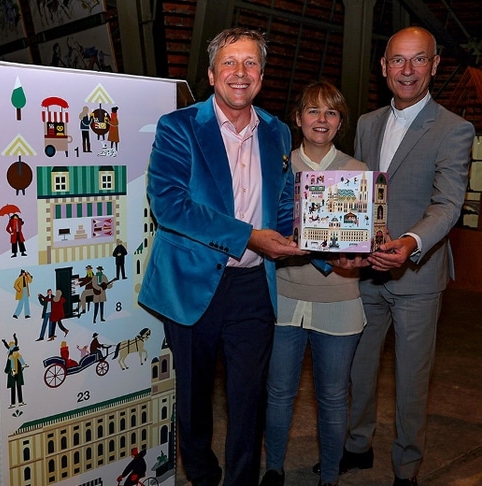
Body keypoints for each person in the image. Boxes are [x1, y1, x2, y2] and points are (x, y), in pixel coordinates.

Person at [138, 27, 305, 486]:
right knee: (193, 402)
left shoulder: (276, 132)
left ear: (262, 76)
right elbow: (170, 204)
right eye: (230, 63)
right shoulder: (180, 127)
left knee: (248, 400)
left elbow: (285, 204)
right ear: (212, 74)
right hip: (193, 285)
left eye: (251, 63)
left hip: (254, 287)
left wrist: (330, 247)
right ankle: (203, 476)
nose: (240, 72)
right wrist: (249, 236)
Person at [321, 27, 475, 486]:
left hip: (418, 277)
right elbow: (360, 197)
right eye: (398, 61)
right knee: (358, 369)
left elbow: (448, 204)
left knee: (411, 381)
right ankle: (357, 446)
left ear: (435, 65)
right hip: (367, 274)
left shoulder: (454, 129)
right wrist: (345, 246)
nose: (407, 71)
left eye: (419, 60)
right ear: (384, 67)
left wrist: (409, 244)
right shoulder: (367, 124)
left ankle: (407, 467)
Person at [260, 81, 367, 486]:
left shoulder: (358, 174)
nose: (321, 120)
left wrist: (363, 248)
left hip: (339, 299)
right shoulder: (277, 167)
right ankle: (273, 469)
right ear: (298, 118)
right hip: (284, 295)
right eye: (313, 111)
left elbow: (366, 238)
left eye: (331, 113)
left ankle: (331, 477)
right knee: (279, 393)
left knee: (334, 397)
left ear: (340, 122)